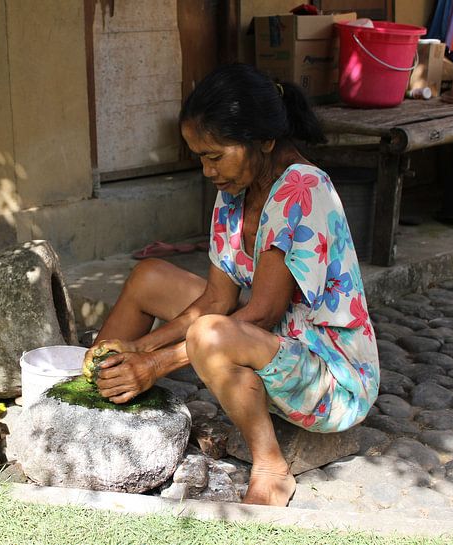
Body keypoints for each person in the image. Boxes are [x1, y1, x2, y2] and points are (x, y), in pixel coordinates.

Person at [83, 63, 380, 507]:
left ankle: (271, 467)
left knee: (210, 335)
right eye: (199, 157)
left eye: (215, 155)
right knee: (150, 277)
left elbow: (260, 313)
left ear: (263, 139)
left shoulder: (303, 189)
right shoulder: (233, 191)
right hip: (270, 342)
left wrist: (156, 363)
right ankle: (96, 390)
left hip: (331, 378)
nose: (207, 170)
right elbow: (218, 298)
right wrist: (139, 349)